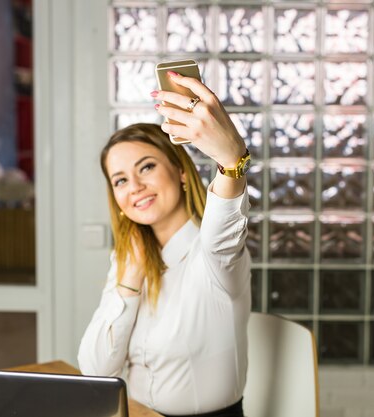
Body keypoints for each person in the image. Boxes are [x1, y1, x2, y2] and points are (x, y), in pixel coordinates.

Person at [78, 71, 252, 417]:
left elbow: (224, 222)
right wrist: (128, 282)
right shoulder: (129, 259)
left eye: (147, 167)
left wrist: (232, 163)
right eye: (121, 180)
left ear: (181, 172)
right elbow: (96, 372)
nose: (135, 187)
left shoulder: (214, 256)